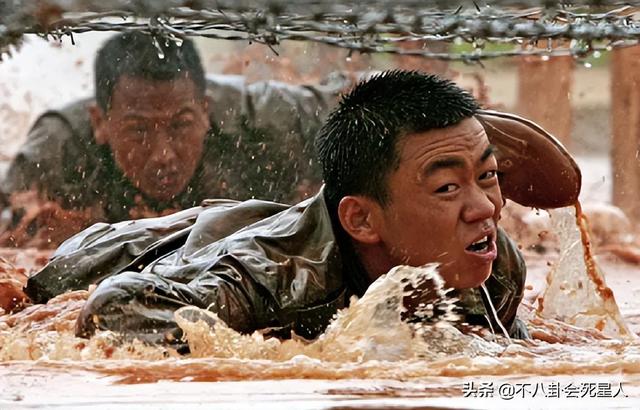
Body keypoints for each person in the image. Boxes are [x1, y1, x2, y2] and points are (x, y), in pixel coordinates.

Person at [21, 71, 581, 347]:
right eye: (447, 189)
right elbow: (112, 310)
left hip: (265, 218)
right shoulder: (275, 280)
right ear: (363, 219)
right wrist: (290, 353)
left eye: (487, 178)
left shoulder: (491, 265)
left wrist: (444, 123)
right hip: (129, 253)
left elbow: (563, 184)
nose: (485, 209)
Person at [0, 32, 337, 247]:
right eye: (139, 130)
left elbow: (370, 101)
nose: (163, 154)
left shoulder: (267, 124)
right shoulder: (58, 151)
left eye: (180, 126)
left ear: (205, 111)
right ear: (100, 123)